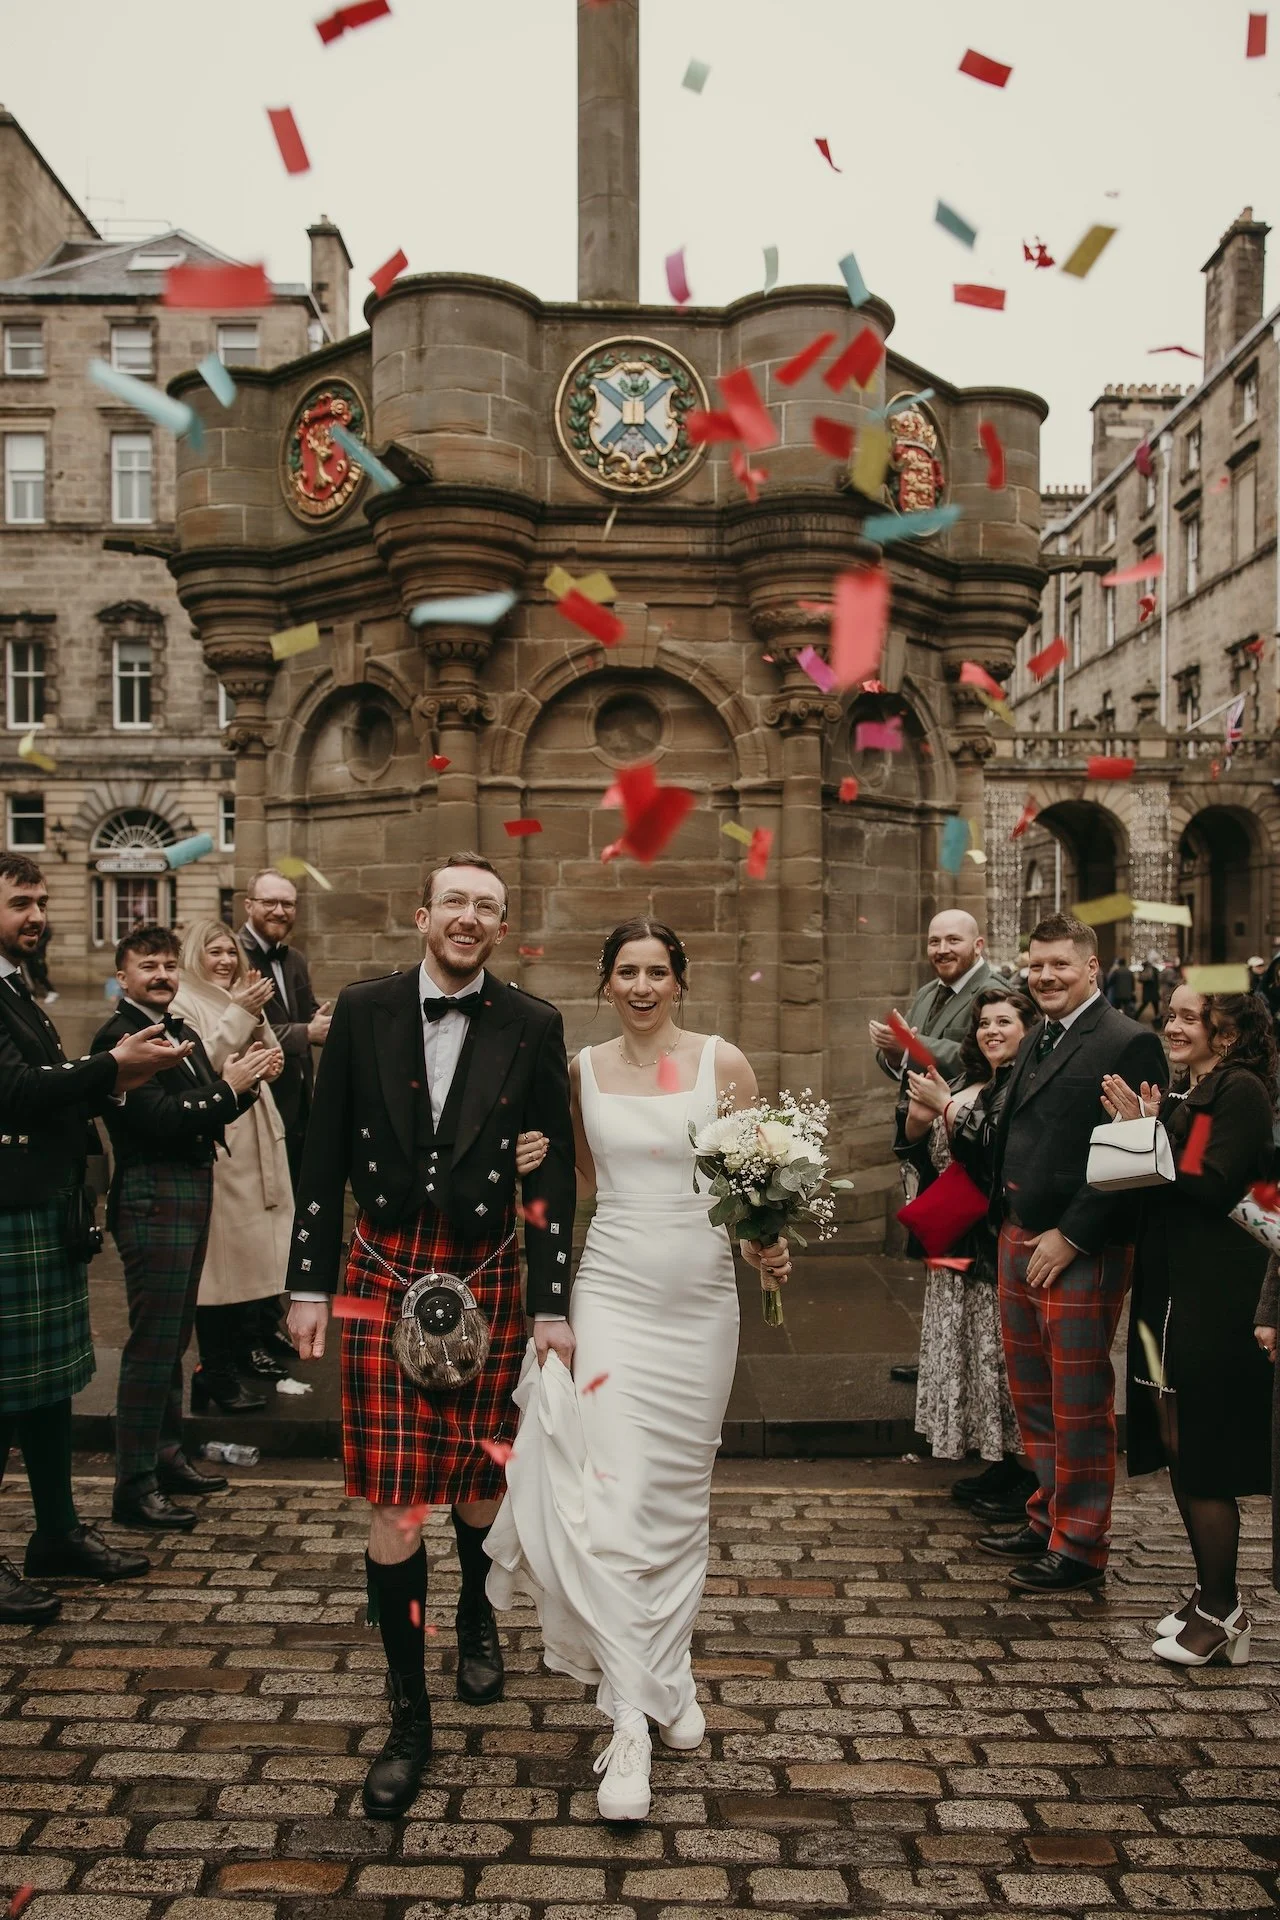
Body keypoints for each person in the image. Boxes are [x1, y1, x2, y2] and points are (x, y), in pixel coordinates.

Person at [285, 852, 577, 1821]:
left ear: (501, 926)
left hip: (489, 1265)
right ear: (422, 916)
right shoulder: (364, 1010)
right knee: (395, 1507)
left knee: (483, 1488)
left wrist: (550, 1303)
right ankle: (408, 1717)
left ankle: (473, 1616)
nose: (467, 918)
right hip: (381, 1267)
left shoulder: (531, 1024)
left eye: (485, 908)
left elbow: (551, 1184)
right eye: (453, 902)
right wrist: (305, 1284)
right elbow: (320, 1158)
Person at [486, 918, 791, 1823]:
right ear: (606, 982)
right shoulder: (578, 1070)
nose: (644, 984)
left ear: (681, 981)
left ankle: (672, 1671)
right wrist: (520, 1173)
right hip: (612, 1295)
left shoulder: (722, 1065)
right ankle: (627, 1717)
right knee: (613, 1502)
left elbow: (750, 1193)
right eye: (628, 971)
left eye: (659, 970)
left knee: (676, 1501)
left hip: (701, 1307)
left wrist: (768, 1248)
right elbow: (579, 1176)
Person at [0, 856, 179, 1624]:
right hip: (7, 1210)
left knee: (44, 1395)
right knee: (4, 1399)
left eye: (40, 901)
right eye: (19, 903)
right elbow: (12, 1090)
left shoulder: (17, 987)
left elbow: (47, 1078)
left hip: (42, 1205)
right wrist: (112, 1064)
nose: (36, 915)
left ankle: (58, 1534)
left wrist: (110, 1078)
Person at [981, 911, 1168, 1592]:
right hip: (1019, 1233)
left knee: (1078, 1398)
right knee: (1033, 1394)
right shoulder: (1039, 1034)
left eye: (1060, 964)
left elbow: (1136, 1156)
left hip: (1079, 1246)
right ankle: (1047, 1514)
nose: (1046, 976)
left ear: (1093, 967)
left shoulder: (1129, 1040)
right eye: (1037, 965)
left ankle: (1082, 1544)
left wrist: (1074, 1234)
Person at [1105, 988, 1275, 1666]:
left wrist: (1151, 1127)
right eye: (1169, 1015)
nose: (1171, 1026)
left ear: (1226, 1034)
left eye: (1187, 1017)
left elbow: (1212, 1183)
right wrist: (1147, 1123)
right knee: (1175, 1437)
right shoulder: (1193, 1091)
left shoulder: (1240, 1093)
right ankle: (1209, 1588)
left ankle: (1223, 1612)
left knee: (1201, 1449)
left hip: (1213, 1297)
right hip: (1169, 1288)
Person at [92, 926, 276, 1532]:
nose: (163, 975)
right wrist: (231, 1085)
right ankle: (134, 1484)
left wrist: (246, 1084)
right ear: (123, 977)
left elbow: (209, 1105)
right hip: (152, 1195)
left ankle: (167, 1456)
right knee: (151, 1345)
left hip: (191, 1189)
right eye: (148, 966)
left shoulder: (185, 1030)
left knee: (173, 1340)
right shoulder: (119, 1037)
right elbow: (163, 1120)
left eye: (169, 965)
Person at [899, 986, 1037, 1520]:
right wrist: (917, 1119)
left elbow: (999, 1157)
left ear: (1028, 1029)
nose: (992, 1031)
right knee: (971, 1357)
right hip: (955, 1239)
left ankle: (1026, 1476)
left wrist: (948, 1108)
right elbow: (922, 1150)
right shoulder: (968, 1079)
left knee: (999, 1361)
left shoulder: (1021, 1085)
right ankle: (999, 1459)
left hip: (990, 1244)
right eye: (983, 1023)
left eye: (1004, 1021)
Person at [868, 909, 1000, 1384]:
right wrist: (893, 1051)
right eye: (934, 941)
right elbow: (906, 1064)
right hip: (926, 1142)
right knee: (937, 1253)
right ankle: (940, 1353)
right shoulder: (928, 992)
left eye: (953, 940)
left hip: (965, 1142)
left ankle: (967, 1363)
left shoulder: (995, 992)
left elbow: (980, 1053)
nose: (942, 949)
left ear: (978, 945)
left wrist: (911, 1042)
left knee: (966, 1261)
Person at [171, 920, 290, 1413]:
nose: (224, 961)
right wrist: (241, 1014)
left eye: (229, 953)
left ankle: (245, 1349)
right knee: (222, 1269)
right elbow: (201, 1065)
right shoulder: (182, 1003)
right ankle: (213, 1371)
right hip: (225, 1145)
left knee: (255, 1262)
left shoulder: (240, 997)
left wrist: (270, 1051)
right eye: (213, 952)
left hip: (259, 1133)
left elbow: (268, 1053)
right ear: (196, 956)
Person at [238, 871, 330, 1189]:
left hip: (301, 1103)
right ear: (248, 905)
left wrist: (334, 1023)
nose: (280, 911)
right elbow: (242, 1029)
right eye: (270, 902)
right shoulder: (230, 957)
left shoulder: (296, 959)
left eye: (288, 904)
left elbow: (309, 1014)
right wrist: (307, 1033)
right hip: (255, 1099)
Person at [1139, 953, 1164, 1025]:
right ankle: (1157, 1019)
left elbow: (1142, 979)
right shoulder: (1154, 970)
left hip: (1149, 991)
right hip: (1153, 991)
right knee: (1154, 1006)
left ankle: (1135, 1017)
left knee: (1146, 1005)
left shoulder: (1148, 971)